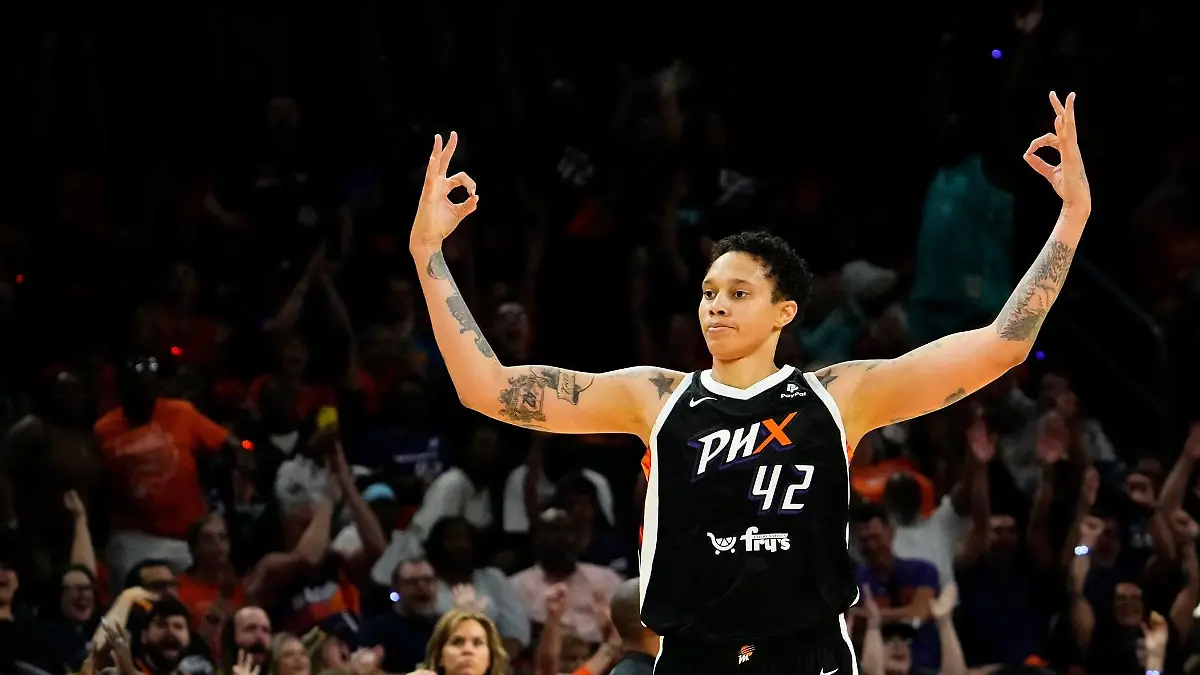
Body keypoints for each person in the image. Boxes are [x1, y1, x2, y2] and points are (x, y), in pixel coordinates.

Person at [406, 90, 1090, 675]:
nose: (716, 304)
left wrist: (1070, 220)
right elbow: (487, 384)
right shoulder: (657, 396)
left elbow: (1004, 344)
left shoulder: (838, 393)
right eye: (708, 291)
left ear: (784, 312)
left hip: (805, 655)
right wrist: (428, 255)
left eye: (737, 291)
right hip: (694, 656)